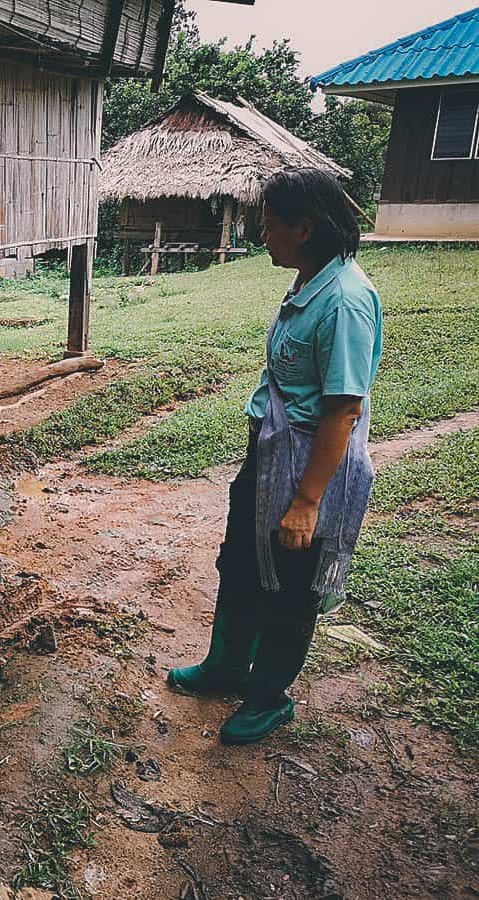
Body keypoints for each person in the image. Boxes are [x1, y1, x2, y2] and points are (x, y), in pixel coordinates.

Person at [167, 169, 383, 745]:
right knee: (240, 562)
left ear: (304, 228)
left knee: (292, 588)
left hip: (309, 469)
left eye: (269, 226)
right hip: (268, 457)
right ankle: (226, 667)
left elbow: (341, 411)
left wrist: (307, 502)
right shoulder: (310, 282)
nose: (263, 235)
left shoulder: (345, 302)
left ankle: (267, 698)